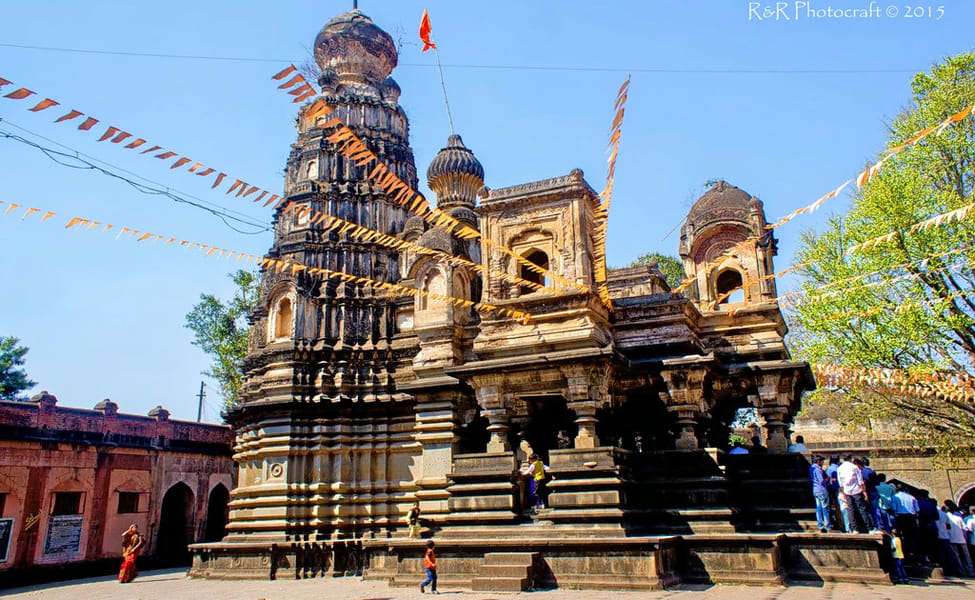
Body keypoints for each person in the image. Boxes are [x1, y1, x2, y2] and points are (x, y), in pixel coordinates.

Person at [836, 454, 876, 533]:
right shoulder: (854, 467)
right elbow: (860, 481)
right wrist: (864, 492)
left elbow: (840, 483)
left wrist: (843, 493)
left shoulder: (839, 468)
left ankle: (854, 529)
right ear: (850, 459)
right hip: (856, 490)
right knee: (862, 509)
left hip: (847, 491)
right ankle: (869, 528)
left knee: (851, 510)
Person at [944, 500, 975, 577]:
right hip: (961, 539)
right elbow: (964, 529)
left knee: (957, 557)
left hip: (952, 539)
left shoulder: (946, 518)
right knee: (967, 557)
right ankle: (971, 572)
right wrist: (965, 538)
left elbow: (947, 528)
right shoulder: (958, 518)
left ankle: (961, 572)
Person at [893, 485, 919, 559]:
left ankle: (903, 553)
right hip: (911, 518)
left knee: (901, 535)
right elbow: (917, 510)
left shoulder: (895, 497)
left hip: (900, 518)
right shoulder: (911, 497)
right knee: (912, 536)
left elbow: (894, 508)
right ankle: (912, 553)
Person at [809, 455, 831, 533]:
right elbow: (822, 481)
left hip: (815, 490)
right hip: (821, 490)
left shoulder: (811, 468)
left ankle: (820, 524)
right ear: (818, 461)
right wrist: (828, 479)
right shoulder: (818, 469)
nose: (823, 463)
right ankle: (827, 525)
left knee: (818, 508)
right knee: (825, 508)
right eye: (822, 461)